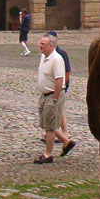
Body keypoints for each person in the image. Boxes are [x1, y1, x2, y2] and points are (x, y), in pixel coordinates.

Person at [33, 33, 75, 164]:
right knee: (47, 123)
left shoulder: (57, 59)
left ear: (51, 46)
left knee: (50, 127)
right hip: (45, 95)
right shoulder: (43, 56)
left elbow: (59, 80)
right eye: (40, 43)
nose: (40, 46)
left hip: (53, 95)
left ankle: (48, 154)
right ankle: (66, 141)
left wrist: (55, 98)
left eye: (43, 44)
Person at [43, 30, 71, 143]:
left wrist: (61, 86)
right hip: (51, 85)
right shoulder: (46, 53)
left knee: (57, 109)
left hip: (59, 85)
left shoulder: (61, 53)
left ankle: (63, 133)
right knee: (55, 109)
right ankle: (54, 132)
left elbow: (67, 71)